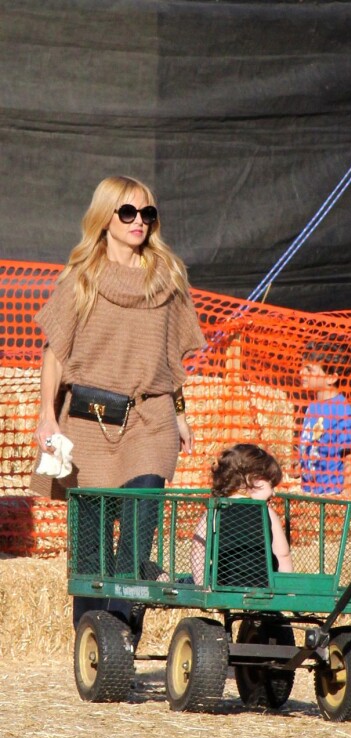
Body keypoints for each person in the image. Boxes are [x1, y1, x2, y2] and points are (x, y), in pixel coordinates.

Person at [31, 175, 205, 645]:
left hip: (150, 420)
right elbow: (55, 352)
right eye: (127, 212)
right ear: (105, 217)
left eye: (147, 213)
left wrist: (181, 414)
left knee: (136, 534)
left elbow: (173, 359)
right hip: (87, 421)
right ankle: (93, 643)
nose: (139, 222)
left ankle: (123, 631)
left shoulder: (168, 276)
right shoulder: (82, 278)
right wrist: (47, 415)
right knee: (89, 548)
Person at [190, 444, 293, 586]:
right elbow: (283, 554)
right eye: (271, 484)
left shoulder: (214, 511)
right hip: (262, 586)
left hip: (222, 585)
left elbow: (199, 548)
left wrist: (201, 584)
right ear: (252, 479)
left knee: (185, 581)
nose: (274, 493)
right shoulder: (267, 513)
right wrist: (287, 589)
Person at [299, 341, 351, 495]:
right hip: (311, 495)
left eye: (309, 369)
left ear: (331, 378)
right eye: (302, 366)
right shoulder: (312, 406)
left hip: (332, 495)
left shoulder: (341, 410)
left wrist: (346, 498)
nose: (301, 373)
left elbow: (349, 459)